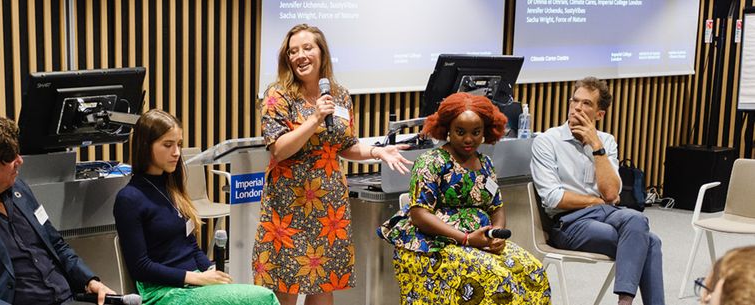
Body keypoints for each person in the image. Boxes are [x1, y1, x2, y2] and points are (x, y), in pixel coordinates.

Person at [253, 23, 413, 305]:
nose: (299, 55)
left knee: (322, 284)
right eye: (292, 51)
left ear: (321, 53)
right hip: (289, 205)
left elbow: (345, 145)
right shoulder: (277, 95)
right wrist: (314, 120)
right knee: (286, 285)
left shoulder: (339, 95)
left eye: (306, 48)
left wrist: (379, 152)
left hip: (329, 207)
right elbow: (278, 149)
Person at [377, 93, 551, 304]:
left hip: (479, 242)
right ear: (447, 130)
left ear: (485, 132)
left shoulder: (486, 163)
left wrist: (496, 235)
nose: (469, 139)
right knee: (496, 277)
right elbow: (419, 214)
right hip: (434, 244)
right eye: (460, 132)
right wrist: (466, 239)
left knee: (533, 271)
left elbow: (497, 207)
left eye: (476, 132)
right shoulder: (431, 161)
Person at [0, 115, 116, 305]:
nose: (20, 160)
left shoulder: (19, 190)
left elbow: (56, 244)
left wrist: (89, 280)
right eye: (10, 157)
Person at [113, 109, 279, 305]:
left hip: (193, 282)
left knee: (250, 295)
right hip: (163, 292)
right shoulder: (129, 198)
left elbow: (190, 246)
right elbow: (140, 266)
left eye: (179, 144)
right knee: (263, 298)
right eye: (168, 145)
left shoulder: (172, 188)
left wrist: (209, 271)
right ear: (145, 146)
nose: (176, 152)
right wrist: (195, 278)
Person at [530, 77, 663, 305]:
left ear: (599, 114)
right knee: (650, 242)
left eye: (587, 104)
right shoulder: (547, 141)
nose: (578, 108)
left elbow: (611, 194)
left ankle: (625, 301)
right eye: (575, 101)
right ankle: (626, 302)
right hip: (569, 223)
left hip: (607, 212)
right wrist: (594, 201)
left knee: (637, 220)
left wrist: (596, 147)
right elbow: (553, 198)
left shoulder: (606, 141)